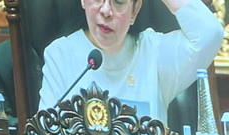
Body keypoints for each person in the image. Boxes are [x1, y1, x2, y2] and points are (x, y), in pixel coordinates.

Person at [38, 0, 223, 124]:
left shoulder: (153, 53)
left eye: (118, 1)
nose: (105, 10)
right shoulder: (60, 55)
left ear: (135, 9)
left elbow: (210, 35)